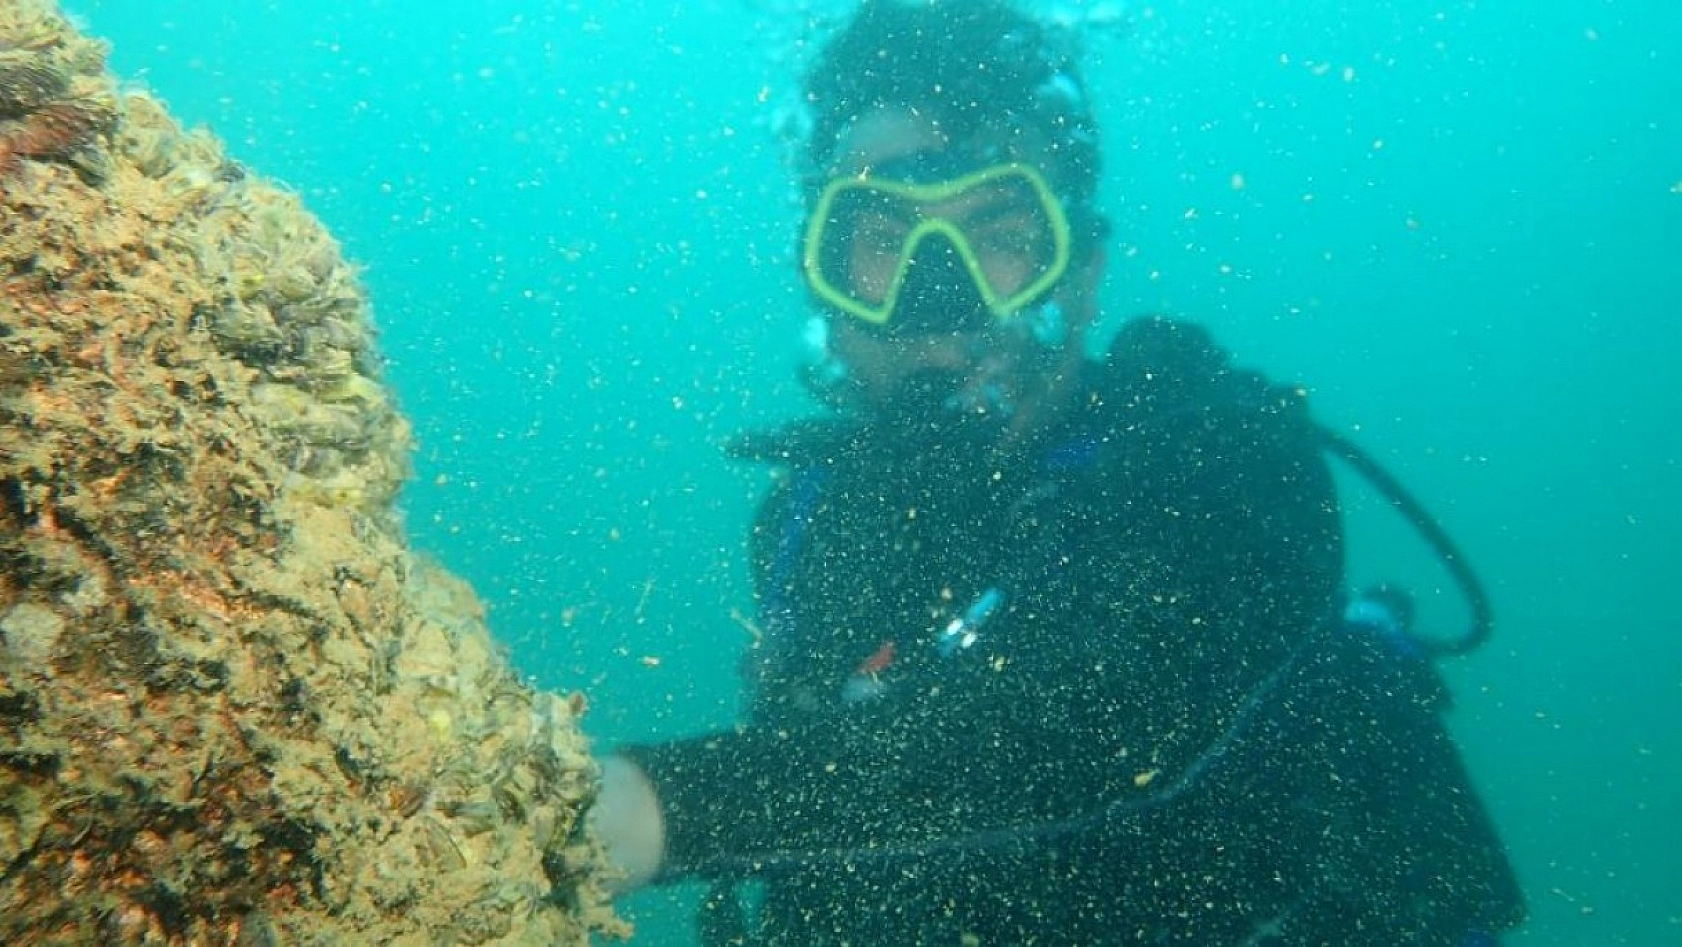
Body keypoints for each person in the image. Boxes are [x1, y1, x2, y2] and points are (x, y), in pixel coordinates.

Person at [591, 2, 1526, 944]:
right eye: (879, 240)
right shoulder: (807, 525)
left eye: (999, 232)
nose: (938, 294)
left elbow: (1086, 726)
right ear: (820, 292)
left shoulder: (1227, 467)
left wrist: (656, 810)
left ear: (1081, 276)